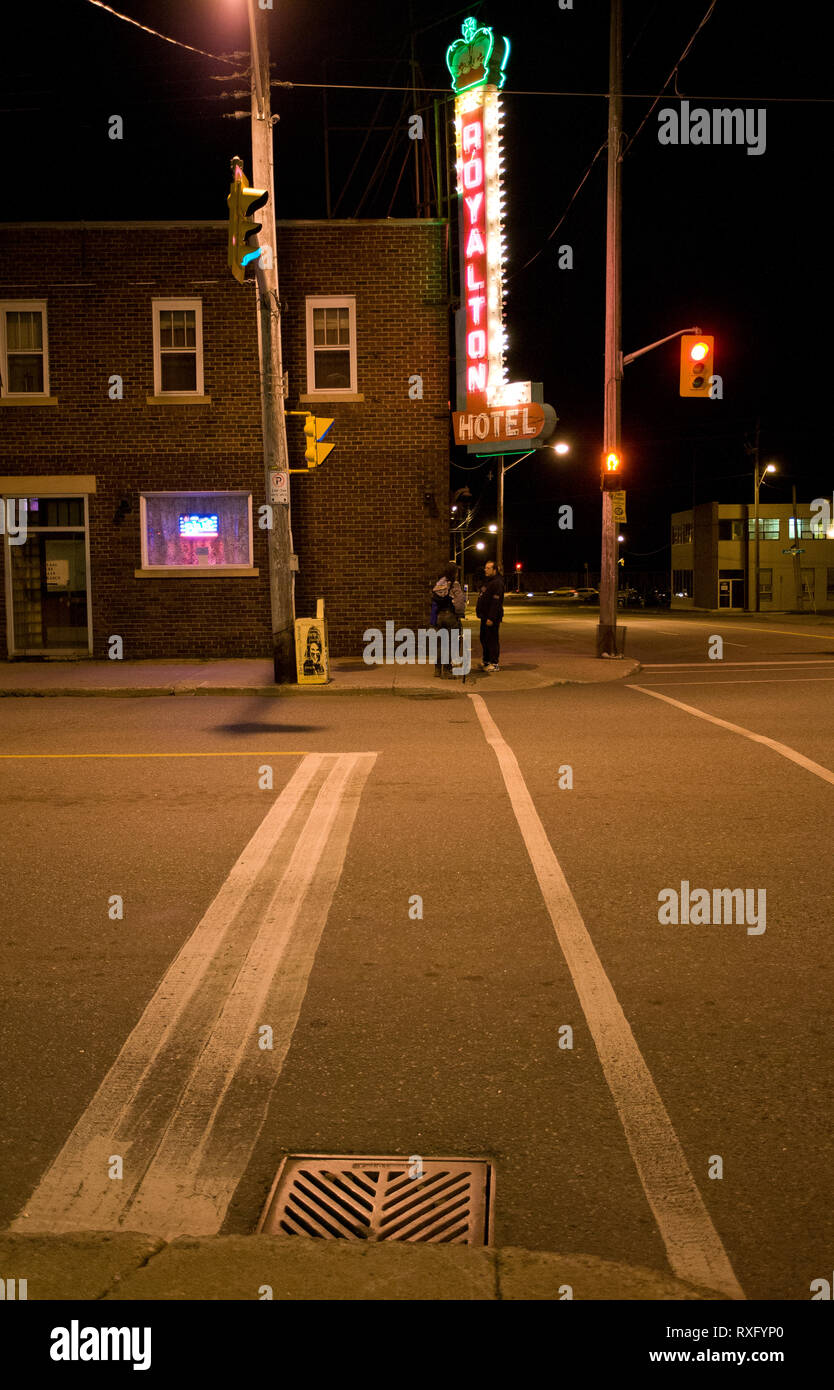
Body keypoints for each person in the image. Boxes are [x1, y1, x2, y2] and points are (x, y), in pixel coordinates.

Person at [431, 563, 465, 677]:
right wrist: (460, 614)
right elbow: (460, 601)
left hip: (439, 617)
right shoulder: (454, 585)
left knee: (440, 643)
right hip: (450, 616)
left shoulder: (439, 584)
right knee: (450, 644)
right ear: (453, 573)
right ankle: (447, 670)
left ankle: (437, 669)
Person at [476, 559, 505, 671]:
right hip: (484, 616)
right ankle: (486, 660)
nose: (485, 570)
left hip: (491, 617)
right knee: (484, 638)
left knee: (492, 639)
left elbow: (496, 602)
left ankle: (494, 663)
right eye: (485, 568)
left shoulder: (497, 583)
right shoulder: (488, 581)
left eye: (488, 568)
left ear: (494, 570)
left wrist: (491, 617)